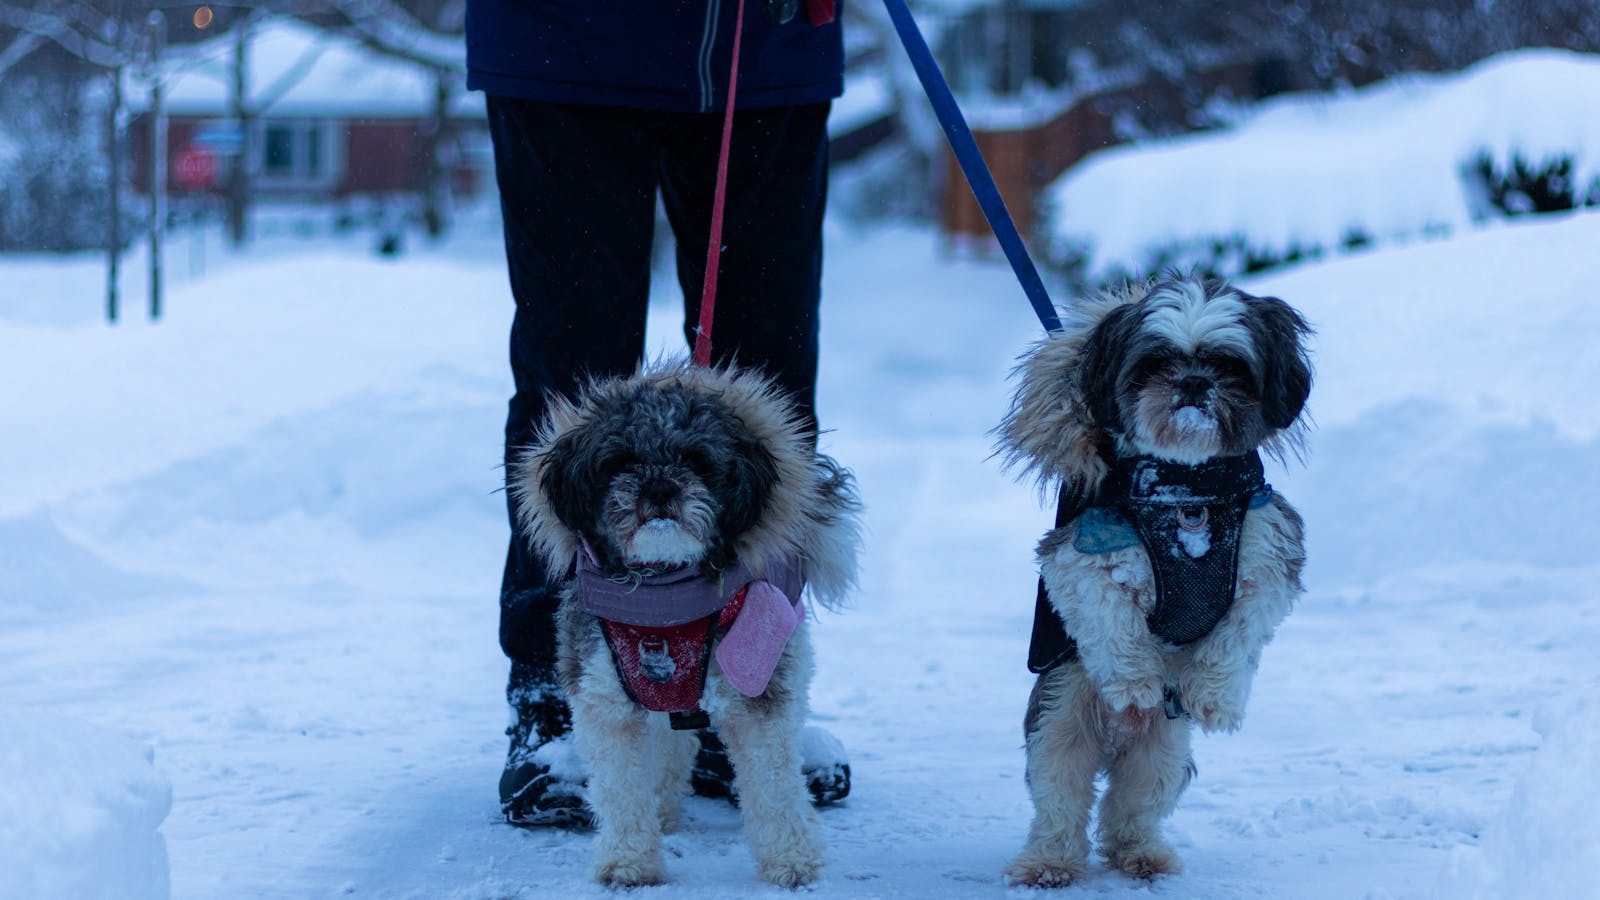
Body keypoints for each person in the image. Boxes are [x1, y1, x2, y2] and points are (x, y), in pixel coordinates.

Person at [464, 0, 851, 827]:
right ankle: (560, 694)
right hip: (562, 45)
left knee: (767, 396)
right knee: (573, 398)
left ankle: (749, 682)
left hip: (766, 45)